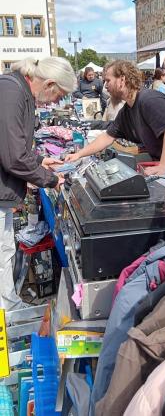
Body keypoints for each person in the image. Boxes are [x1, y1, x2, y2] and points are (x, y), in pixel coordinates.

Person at [0, 56, 76, 311]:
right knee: (2, 252)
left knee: (5, 249)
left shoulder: (17, 90)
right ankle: (7, 311)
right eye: (59, 95)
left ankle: (8, 306)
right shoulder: (11, 91)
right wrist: (50, 180)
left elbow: (16, 147)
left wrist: (41, 161)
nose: (57, 102)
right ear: (50, 83)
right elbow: (13, 156)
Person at [65, 60, 165, 193]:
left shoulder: (149, 99)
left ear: (122, 79)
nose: (105, 86)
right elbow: (107, 136)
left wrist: (163, 166)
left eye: (108, 80)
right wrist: (78, 154)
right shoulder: (127, 110)